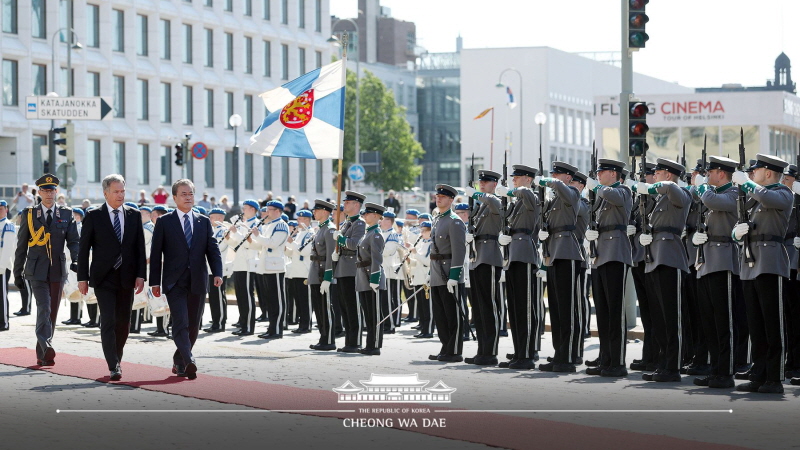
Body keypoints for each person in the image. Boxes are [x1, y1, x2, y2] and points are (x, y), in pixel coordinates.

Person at [731, 154, 792, 394]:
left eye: (755, 171)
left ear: (768, 172)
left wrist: (745, 183)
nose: (751, 174)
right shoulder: (754, 198)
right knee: (756, 324)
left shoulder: (783, 193)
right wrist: (737, 234)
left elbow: (766, 196)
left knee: (772, 324)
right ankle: (758, 374)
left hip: (770, 263)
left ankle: (774, 379)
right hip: (750, 263)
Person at [149, 179, 223, 380]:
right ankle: (189, 359)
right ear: (174, 198)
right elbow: (156, 254)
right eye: (183, 194)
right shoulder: (165, 222)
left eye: (190, 193)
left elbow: (212, 249)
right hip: (174, 281)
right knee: (180, 322)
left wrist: (217, 272)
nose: (188, 197)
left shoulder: (203, 221)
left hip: (198, 279)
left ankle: (179, 361)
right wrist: (154, 282)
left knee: (193, 325)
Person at [77, 174, 146, 380]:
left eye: (123, 191)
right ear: (105, 193)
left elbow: (139, 248)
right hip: (103, 277)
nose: (120, 195)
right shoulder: (94, 215)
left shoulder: (133, 215)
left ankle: (117, 356)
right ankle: (113, 364)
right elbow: (83, 249)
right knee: (108, 320)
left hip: (127, 276)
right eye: (116, 191)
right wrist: (83, 278)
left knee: (123, 322)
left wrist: (141, 275)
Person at [13, 174, 80, 366]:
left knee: (52, 313)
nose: (49, 194)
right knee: (44, 307)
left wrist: (76, 260)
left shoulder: (67, 213)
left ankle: (42, 353)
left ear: (56, 191)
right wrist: (18, 273)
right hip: (36, 270)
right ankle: (47, 344)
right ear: (39, 192)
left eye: (52, 190)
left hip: (58, 270)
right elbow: (21, 246)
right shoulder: (29, 214)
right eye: (45, 190)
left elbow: (74, 241)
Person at [637, 158, 692, 383]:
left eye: (658, 173)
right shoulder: (660, 198)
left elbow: (673, 189)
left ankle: (673, 366)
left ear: (668, 175)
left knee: (672, 317)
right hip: (655, 257)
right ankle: (663, 363)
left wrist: (650, 187)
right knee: (659, 317)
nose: (654, 176)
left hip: (670, 257)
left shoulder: (678, 193)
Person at [689, 156, 741, 389]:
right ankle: (715, 369)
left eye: (711, 172)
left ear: (722, 173)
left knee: (723, 320)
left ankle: (726, 371)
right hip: (707, 260)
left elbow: (714, 202)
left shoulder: (734, 194)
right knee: (709, 320)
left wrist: (701, 186)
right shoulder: (712, 194)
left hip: (724, 261)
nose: (707, 176)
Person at [583, 159, 633, 377]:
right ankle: (606, 358)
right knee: (602, 312)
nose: (598, 174)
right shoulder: (600, 196)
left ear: (613, 174)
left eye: (601, 171)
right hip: (599, 254)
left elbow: (614, 197)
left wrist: (597, 188)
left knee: (615, 310)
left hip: (616, 253)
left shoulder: (623, 190)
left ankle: (618, 361)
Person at [536, 162, 585, 373]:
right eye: (552, 173)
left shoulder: (572, 191)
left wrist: (551, 182)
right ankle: (559, 354)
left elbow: (566, 191)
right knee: (555, 308)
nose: (553, 176)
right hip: (553, 252)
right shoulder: (554, 197)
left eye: (557, 174)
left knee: (567, 308)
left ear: (567, 177)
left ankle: (568, 357)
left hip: (568, 253)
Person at [494, 165, 542, 370]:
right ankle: (519, 351)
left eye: (518, 177)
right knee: (514, 309)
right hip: (513, 256)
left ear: (529, 179)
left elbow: (526, 193)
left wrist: (510, 192)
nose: (514, 180)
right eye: (513, 178)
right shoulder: (515, 204)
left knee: (525, 308)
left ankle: (527, 354)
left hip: (525, 255)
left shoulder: (532, 197)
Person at [463, 170, 504, 366]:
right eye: (481, 181)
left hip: (490, 257)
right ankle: (482, 350)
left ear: (495, 184)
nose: (482, 184)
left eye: (486, 181)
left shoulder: (495, 201)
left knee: (489, 306)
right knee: (478, 308)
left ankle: (491, 351)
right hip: (477, 257)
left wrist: (477, 194)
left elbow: (494, 203)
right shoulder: (479, 206)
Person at [427, 185, 467, 363]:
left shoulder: (454, 221)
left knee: (452, 313)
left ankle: (455, 350)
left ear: (451, 200)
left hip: (449, 272)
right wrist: (430, 273)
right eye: (437, 195)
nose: (439, 198)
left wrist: (454, 275)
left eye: (443, 196)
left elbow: (459, 251)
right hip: (437, 272)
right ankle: (445, 347)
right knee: (440, 314)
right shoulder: (437, 219)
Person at [333, 191, 367, 353]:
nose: (345, 204)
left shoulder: (359, 224)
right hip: (342, 267)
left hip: (352, 268)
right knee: (344, 306)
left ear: (357, 205)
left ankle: (356, 341)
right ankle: (349, 340)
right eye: (345, 202)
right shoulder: (347, 223)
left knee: (353, 306)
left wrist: (340, 240)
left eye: (348, 202)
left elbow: (355, 244)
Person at [252, 200, 289, 340]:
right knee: (270, 299)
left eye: (271, 209)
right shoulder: (268, 225)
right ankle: (271, 328)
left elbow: (272, 244)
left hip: (275, 266)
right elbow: (262, 245)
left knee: (277, 300)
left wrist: (257, 236)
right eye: (267, 209)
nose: (267, 212)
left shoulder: (281, 225)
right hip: (266, 266)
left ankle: (277, 329)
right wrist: (252, 241)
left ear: (278, 211)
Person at [226, 199, 261, 336]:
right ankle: (243, 323)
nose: (243, 210)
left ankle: (248, 326)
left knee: (247, 296)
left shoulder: (256, 224)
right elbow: (236, 242)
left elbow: (249, 243)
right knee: (240, 296)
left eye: (245, 208)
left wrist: (236, 232)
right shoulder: (244, 223)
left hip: (248, 263)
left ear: (252, 209)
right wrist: (228, 237)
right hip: (239, 263)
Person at [355, 202, 386, 355]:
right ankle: (369, 344)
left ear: (375, 215)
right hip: (363, 275)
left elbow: (377, 259)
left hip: (372, 276)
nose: (364, 216)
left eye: (367, 213)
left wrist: (375, 278)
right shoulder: (368, 233)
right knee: (368, 313)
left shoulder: (376, 234)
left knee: (374, 314)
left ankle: (374, 345)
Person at [310, 199, 338, 351]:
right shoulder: (320, 229)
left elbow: (331, 255)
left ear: (325, 212)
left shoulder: (330, 230)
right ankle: (323, 337)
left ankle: (329, 340)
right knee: (318, 308)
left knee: (325, 308)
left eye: (317, 210)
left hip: (323, 274)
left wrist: (328, 277)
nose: (314, 212)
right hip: (316, 272)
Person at [285, 209, 313, 334]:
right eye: (298, 219)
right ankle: (302, 324)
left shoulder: (310, 233)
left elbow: (304, 251)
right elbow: (293, 252)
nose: (298, 222)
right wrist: (286, 248)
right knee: (299, 300)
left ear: (307, 220)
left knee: (305, 300)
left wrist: (292, 243)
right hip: (296, 270)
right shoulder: (300, 233)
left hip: (304, 271)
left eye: (301, 220)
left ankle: (306, 325)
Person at [204, 208, 229, 333]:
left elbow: (219, 247)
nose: (210, 219)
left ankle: (219, 323)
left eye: (212, 217)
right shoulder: (213, 231)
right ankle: (215, 322)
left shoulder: (222, 231)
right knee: (213, 298)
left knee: (218, 297)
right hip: (210, 269)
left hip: (218, 269)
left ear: (220, 218)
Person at [0, 200, 17, 331]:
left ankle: (4, 322)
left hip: (2, 267)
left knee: (2, 295)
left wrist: (2, 266)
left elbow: (8, 248)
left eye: (1, 208)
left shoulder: (8, 225)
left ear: (6, 209)